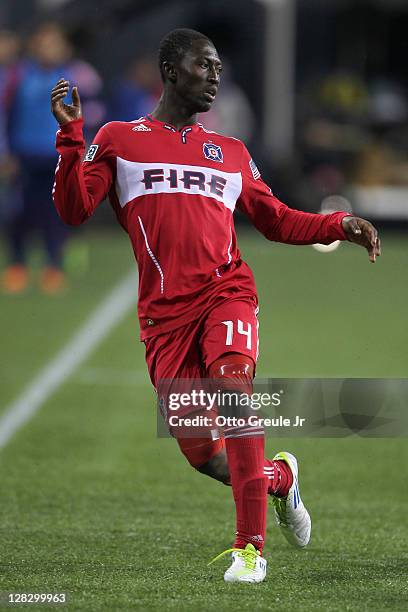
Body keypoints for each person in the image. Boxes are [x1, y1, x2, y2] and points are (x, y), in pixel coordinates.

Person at [51, 28, 381, 584]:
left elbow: (274, 218)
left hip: (227, 293)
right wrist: (71, 137)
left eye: (219, 68)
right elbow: (74, 209)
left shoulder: (229, 152)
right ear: (171, 70)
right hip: (164, 319)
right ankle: (280, 480)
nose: (215, 76)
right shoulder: (118, 138)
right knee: (204, 455)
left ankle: (249, 550)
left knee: (234, 390)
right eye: (205, 65)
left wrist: (338, 224)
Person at [2, 22, 104, 294]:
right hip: (25, 155)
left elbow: (91, 116)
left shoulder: (77, 76)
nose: (49, 49)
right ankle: (17, 266)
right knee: (21, 211)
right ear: (35, 47)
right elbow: (9, 116)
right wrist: (7, 153)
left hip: (59, 155)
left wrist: (85, 153)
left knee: (56, 212)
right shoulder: (19, 77)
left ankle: (53, 267)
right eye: (44, 43)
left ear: (64, 48)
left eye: (54, 43)